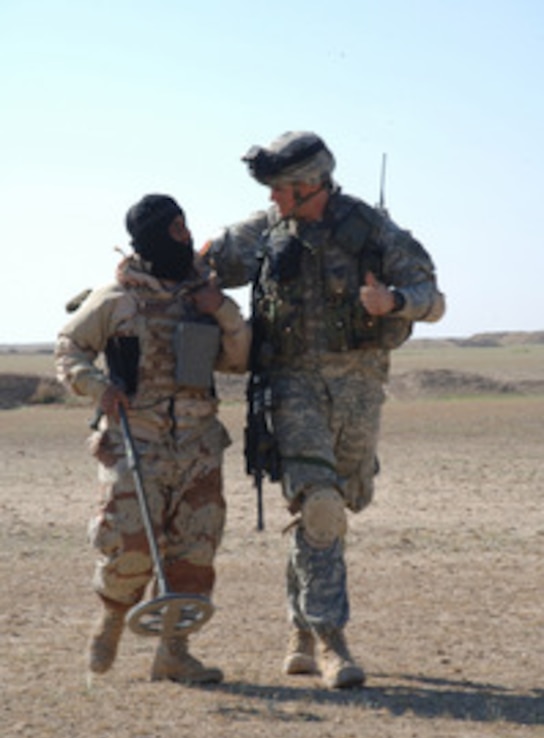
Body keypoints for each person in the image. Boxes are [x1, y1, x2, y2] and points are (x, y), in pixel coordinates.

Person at [202, 131, 445, 689]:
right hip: (291, 388)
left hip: (360, 393)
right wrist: (141, 274)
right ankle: (332, 641)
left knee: (334, 510)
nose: (273, 201)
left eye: (281, 191)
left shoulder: (371, 230)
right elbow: (199, 267)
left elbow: (433, 296)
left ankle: (298, 632)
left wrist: (394, 302)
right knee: (320, 505)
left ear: (309, 185)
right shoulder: (263, 231)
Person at [55, 194, 250, 684]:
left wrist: (222, 309)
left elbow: (240, 358)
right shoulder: (117, 298)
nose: (185, 237)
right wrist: (99, 389)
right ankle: (113, 619)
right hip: (134, 439)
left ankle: (174, 653)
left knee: (195, 548)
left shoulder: (203, 294)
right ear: (152, 238)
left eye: (186, 227)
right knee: (129, 544)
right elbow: (70, 347)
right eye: (175, 230)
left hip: (198, 443)